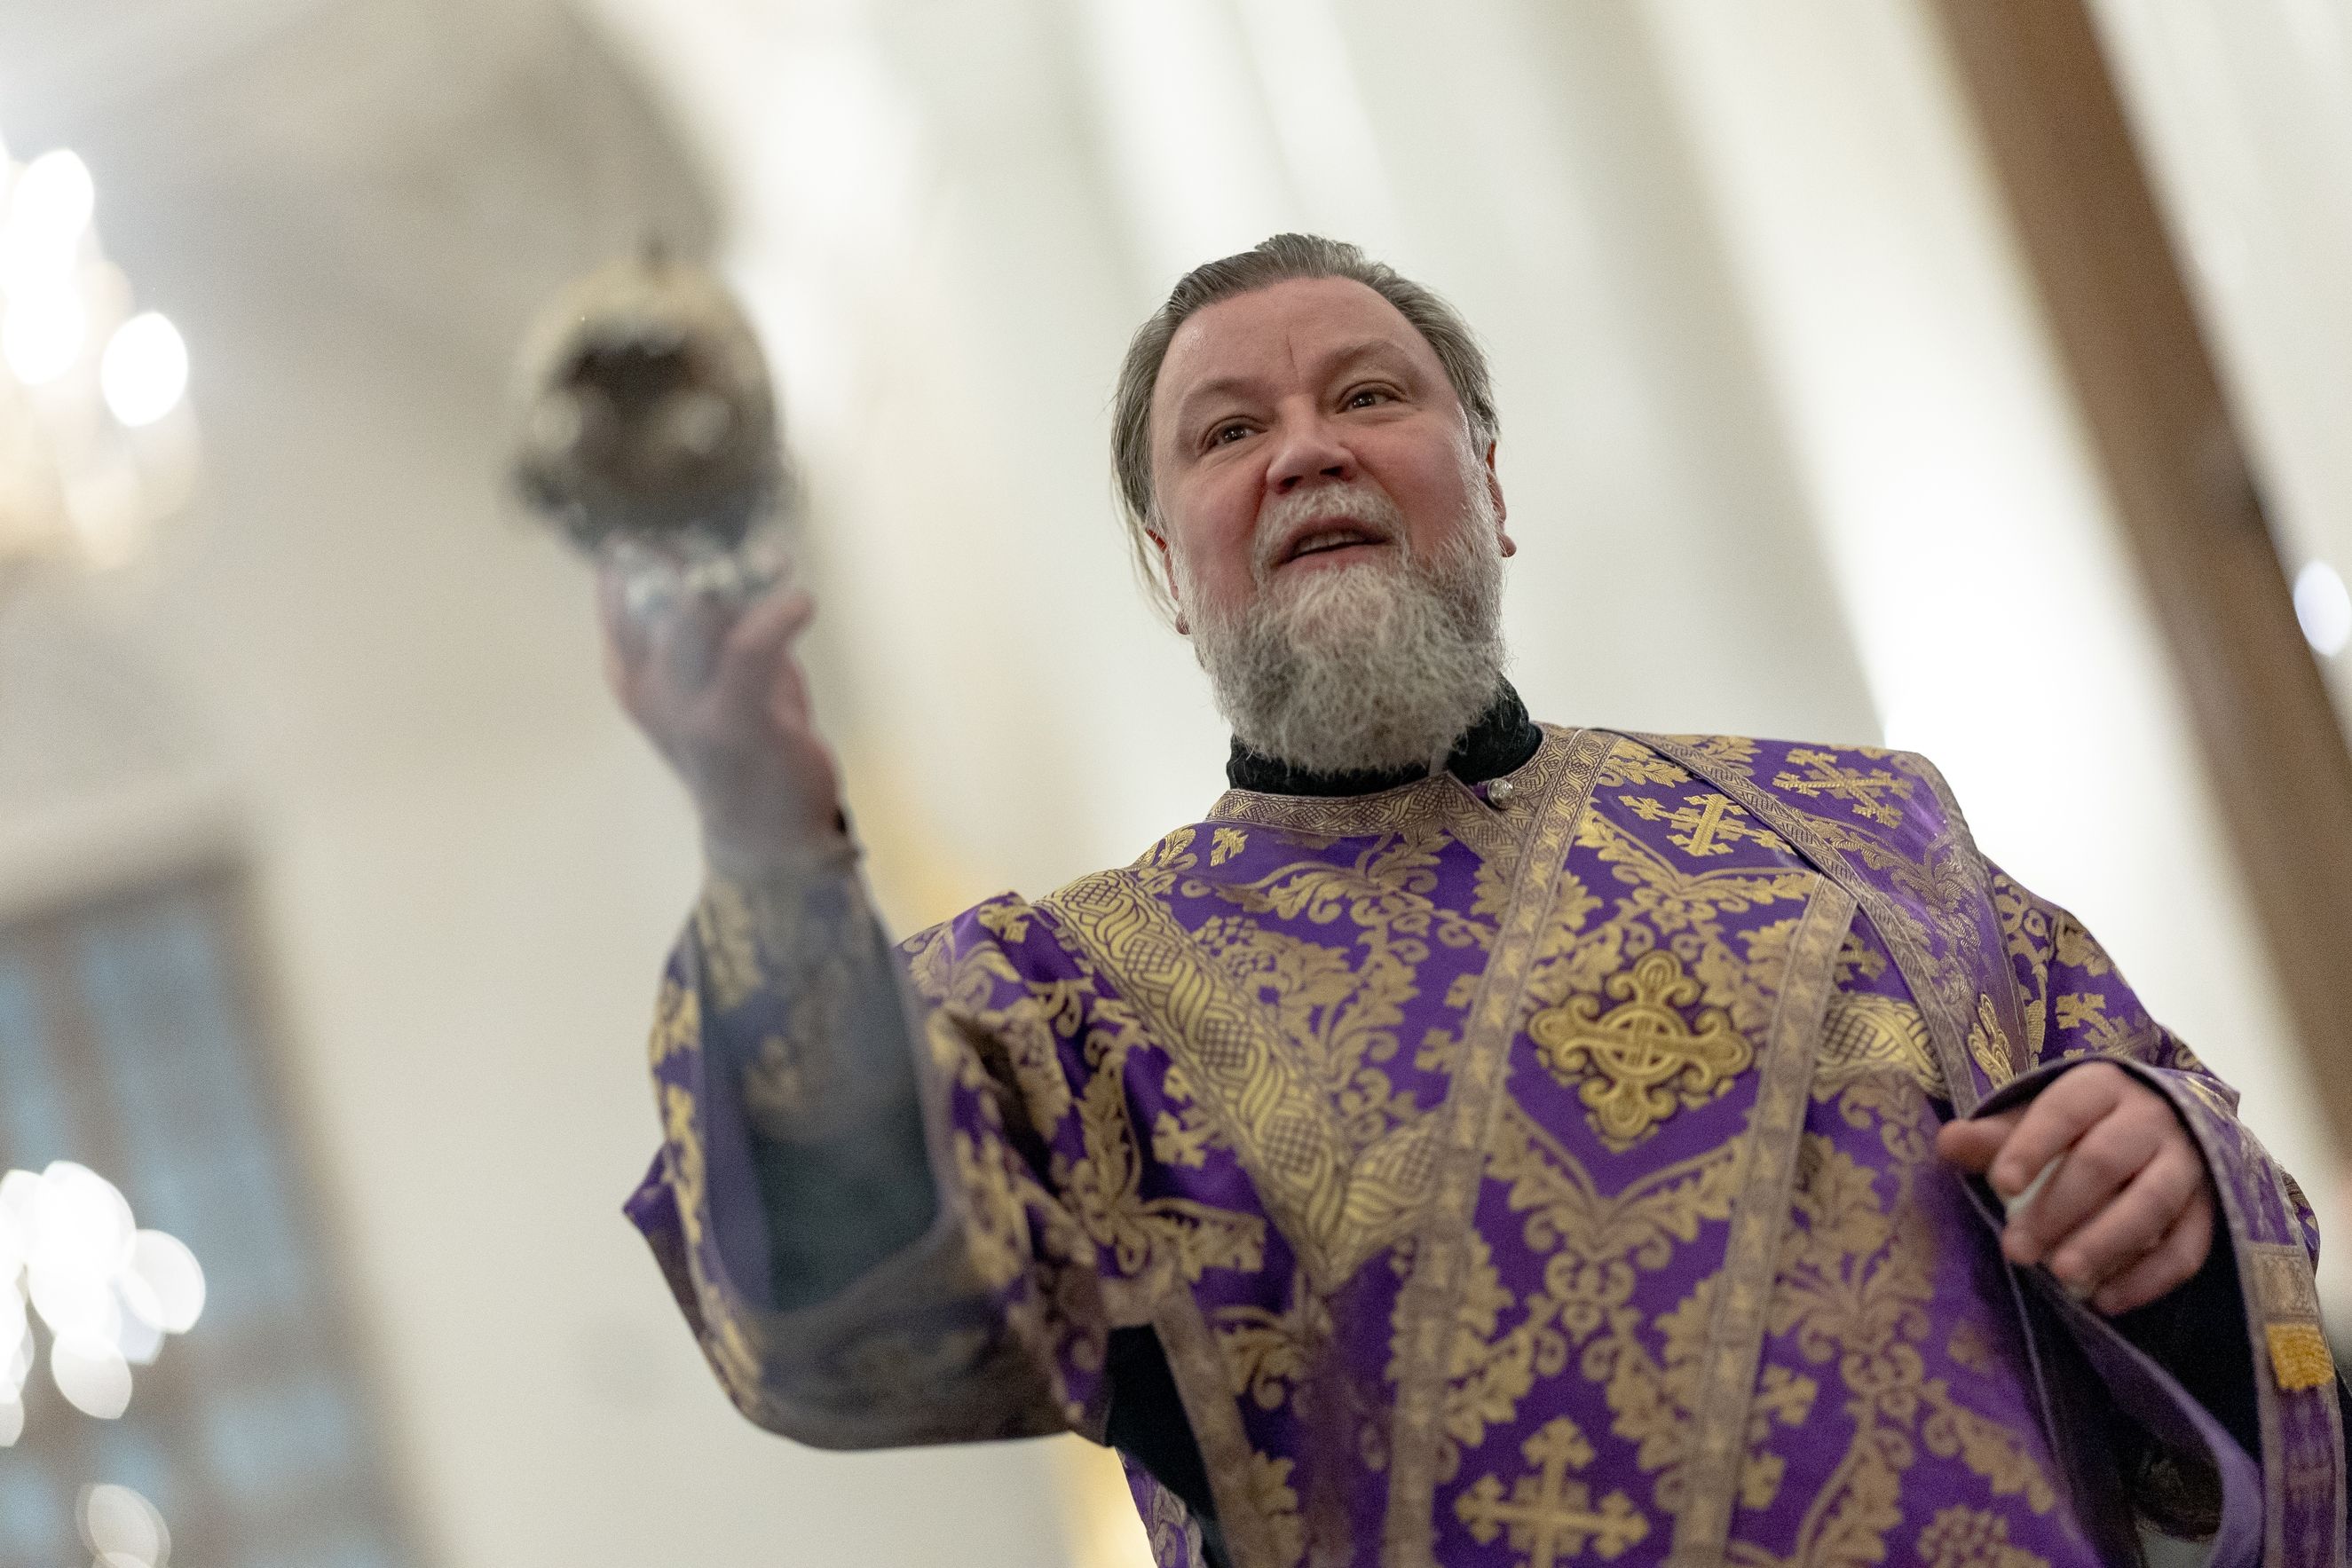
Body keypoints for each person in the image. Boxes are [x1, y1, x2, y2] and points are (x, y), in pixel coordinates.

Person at [605, 235, 2342, 1568]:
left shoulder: (1863, 829)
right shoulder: (1075, 1000)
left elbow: (2195, 1195)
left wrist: (2167, 1184)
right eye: (1228, 431)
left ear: (1490, 488)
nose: (1305, 450)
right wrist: (769, 853)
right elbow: (845, 1312)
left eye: (1368, 396)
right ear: (1166, 570)